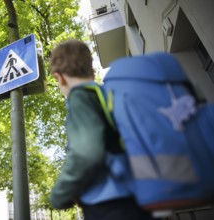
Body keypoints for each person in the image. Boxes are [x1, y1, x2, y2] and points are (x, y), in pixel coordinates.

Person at [49, 39, 156, 220]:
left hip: (109, 204)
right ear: (90, 68)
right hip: (138, 196)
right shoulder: (106, 95)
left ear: (59, 77)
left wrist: (60, 194)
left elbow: (87, 153)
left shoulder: (81, 97)